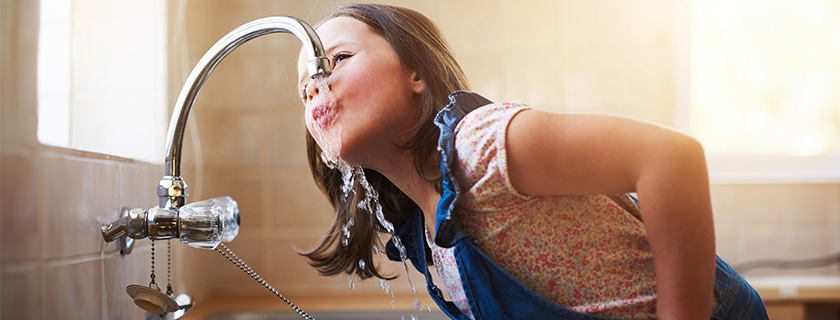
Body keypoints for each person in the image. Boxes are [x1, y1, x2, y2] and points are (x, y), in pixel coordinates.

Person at [296, 3, 768, 320]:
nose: (317, 84)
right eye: (304, 89)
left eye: (336, 59)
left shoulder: (479, 147)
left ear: (415, 73)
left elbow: (673, 157)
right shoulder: (425, 236)